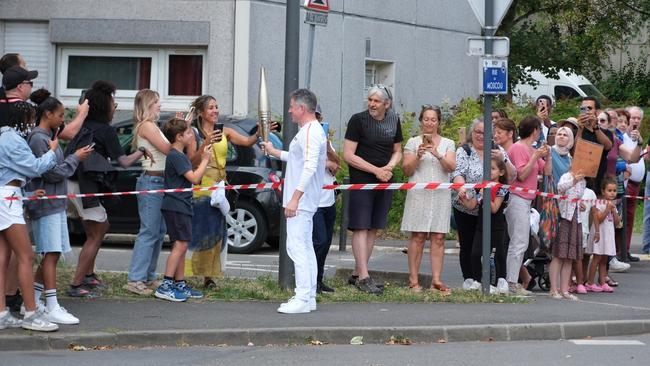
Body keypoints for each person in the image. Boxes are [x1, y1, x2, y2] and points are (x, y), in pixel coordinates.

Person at [66, 80, 153, 297]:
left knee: (93, 231)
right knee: (99, 230)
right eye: (113, 103)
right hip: (85, 188)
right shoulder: (105, 131)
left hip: (70, 182)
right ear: (104, 106)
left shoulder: (81, 127)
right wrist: (141, 150)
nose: (115, 107)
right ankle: (77, 284)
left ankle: (89, 275)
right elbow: (123, 162)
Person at [186, 95, 277, 289]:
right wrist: (205, 144)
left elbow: (246, 142)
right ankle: (188, 274)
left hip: (220, 186)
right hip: (202, 188)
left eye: (216, 107)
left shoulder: (224, 130)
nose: (215, 110)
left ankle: (209, 277)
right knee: (202, 232)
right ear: (201, 112)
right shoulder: (194, 133)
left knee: (218, 232)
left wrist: (260, 131)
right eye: (210, 108)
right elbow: (191, 162)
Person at [25, 90, 92, 324]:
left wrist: (71, 158)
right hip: (47, 204)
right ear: (48, 113)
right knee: (51, 252)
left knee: (53, 252)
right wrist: (75, 158)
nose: (63, 119)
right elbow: (52, 172)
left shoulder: (47, 137)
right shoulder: (39, 138)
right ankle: (51, 303)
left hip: (55, 202)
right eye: (61, 114)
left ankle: (32, 301)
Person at [262, 89, 327, 314]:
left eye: (291, 106)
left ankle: (302, 297)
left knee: (297, 247)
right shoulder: (310, 131)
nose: (289, 110)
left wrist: (294, 199)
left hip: (302, 200)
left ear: (301, 108)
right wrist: (274, 152)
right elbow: (298, 158)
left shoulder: (311, 132)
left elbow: (309, 166)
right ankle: (308, 298)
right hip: (305, 200)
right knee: (305, 248)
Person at [0, 101, 59, 331]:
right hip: (8, 199)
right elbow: (34, 167)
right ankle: (31, 314)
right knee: (27, 255)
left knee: (4, 255)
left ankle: (2, 312)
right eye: (31, 119)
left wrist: (26, 193)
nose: (32, 124)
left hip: (8, 195)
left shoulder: (4, 137)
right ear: (23, 119)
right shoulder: (12, 139)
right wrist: (52, 151)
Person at [343, 85, 402, 294]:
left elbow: (397, 151)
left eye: (376, 101)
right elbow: (348, 155)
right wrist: (376, 170)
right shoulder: (358, 120)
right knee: (361, 226)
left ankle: (359, 273)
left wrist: (389, 167)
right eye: (370, 99)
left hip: (384, 178)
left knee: (373, 227)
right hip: (362, 179)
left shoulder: (394, 120)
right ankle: (365, 277)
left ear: (387, 104)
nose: (371, 104)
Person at [453, 118, 516, 290]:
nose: (481, 136)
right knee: (468, 246)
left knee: (493, 247)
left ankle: (494, 280)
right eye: (477, 132)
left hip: (490, 209)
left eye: (485, 133)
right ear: (471, 133)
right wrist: (461, 189)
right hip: (467, 203)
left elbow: (512, 175)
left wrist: (504, 158)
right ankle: (470, 279)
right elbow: (457, 172)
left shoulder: (498, 150)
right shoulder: (464, 150)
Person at [155, 118, 211, 302]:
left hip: (181, 205)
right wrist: (205, 160)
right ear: (179, 137)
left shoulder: (179, 155)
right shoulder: (176, 156)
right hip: (176, 205)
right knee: (180, 244)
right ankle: (166, 285)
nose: (191, 134)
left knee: (182, 244)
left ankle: (179, 282)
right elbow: (194, 178)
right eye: (188, 133)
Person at [401, 105, 455, 293]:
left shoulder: (448, 143)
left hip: (440, 194)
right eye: (426, 119)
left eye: (433, 119)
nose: (430, 123)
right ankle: (413, 280)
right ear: (421, 121)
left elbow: (450, 167)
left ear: (439, 122)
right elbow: (407, 169)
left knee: (439, 237)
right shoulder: (413, 142)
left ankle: (436, 280)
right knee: (418, 236)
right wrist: (418, 155)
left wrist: (436, 153)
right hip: (419, 193)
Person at [124, 89, 169, 295]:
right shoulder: (147, 126)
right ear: (149, 104)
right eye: (157, 102)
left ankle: (148, 277)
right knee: (149, 231)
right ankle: (135, 279)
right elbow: (168, 149)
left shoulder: (154, 126)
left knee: (158, 232)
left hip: (159, 181)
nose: (161, 105)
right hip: (152, 181)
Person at [506, 116, 552, 295]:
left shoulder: (532, 149)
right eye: (539, 130)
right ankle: (511, 282)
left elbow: (546, 171)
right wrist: (535, 156)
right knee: (519, 242)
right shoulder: (518, 148)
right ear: (535, 131)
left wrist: (547, 156)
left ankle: (512, 281)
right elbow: (522, 175)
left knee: (521, 242)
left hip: (526, 200)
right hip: (517, 197)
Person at [458, 157, 510, 294]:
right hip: (481, 226)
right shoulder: (481, 186)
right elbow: (472, 205)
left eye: (493, 169)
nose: (489, 172)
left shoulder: (502, 189)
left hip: (496, 227)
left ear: (501, 172)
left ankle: (499, 281)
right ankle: (477, 280)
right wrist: (464, 199)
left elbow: (494, 208)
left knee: (496, 255)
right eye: (487, 169)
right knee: (475, 254)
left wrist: (485, 195)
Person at [312, 105, 339, 293]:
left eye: (319, 117)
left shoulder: (324, 140)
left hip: (328, 198)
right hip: (313, 200)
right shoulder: (304, 139)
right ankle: (309, 280)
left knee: (327, 240)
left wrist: (327, 145)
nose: (317, 121)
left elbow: (337, 164)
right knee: (319, 241)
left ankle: (319, 279)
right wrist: (325, 162)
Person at [549, 170, 586, 301]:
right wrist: (574, 180)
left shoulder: (583, 181)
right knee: (559, 254)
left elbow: (578, 198)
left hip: (576, 218)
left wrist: (581, 205)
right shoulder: (566, 176)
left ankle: (565, 289)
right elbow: (560, 188)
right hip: (564, 218)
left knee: (569, 256)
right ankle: (553, 289)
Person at [585, 177, 620, 293]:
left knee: (604, 259)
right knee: (596, 258)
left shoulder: (612, 205)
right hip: (599, 233)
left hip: (608, 235)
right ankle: (590, 282)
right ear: (603, 191)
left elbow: (617, 222)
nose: (612, 193)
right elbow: (598, 219)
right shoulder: (598, 203)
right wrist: (607, 210)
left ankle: (602, 282)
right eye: (609, 190)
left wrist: (614, 211)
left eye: (614, 191)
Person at [576, 97, 613, 193]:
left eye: (589, 108)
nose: (586, 111)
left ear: (597, 112)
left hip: (599, 182)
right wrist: (580, 128)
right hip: (579, 182)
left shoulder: (605, 132)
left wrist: (596, 127)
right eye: (583, 109)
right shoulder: (576, 131)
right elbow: (574, 151)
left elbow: (608, 146)